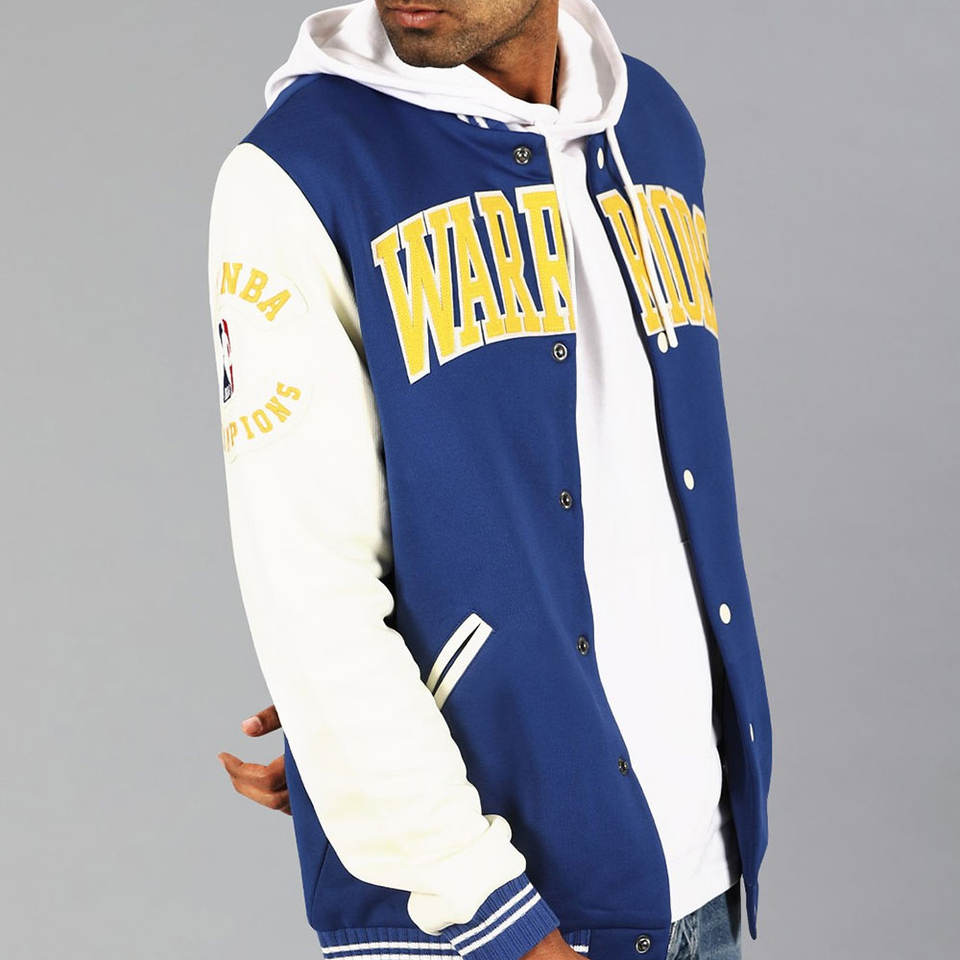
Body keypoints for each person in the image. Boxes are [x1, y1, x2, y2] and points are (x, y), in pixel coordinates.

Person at [206, 2, 772, 960]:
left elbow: (637, 491)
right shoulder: (300, 170)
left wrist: (350, 742)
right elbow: (309, 585)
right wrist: (481, 901)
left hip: (698, 876)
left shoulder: (652, 128)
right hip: (493, 913)